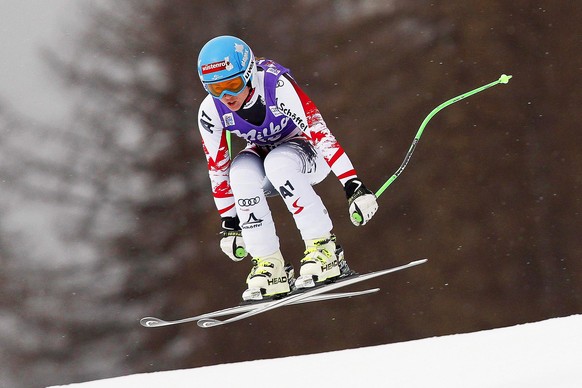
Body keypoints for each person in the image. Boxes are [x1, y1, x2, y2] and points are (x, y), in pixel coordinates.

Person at [196, 35, 378, 301]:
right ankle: (270, 266)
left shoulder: (275, 86)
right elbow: (217, 167)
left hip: (306, 153)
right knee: (240, 172)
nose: (226, 97)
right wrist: (230, 221)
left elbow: (319, 133)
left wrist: (353, 185)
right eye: (215, 89)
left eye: (233, 85)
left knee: (278, 163)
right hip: (264, 154)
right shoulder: (210, 111)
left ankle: (324, 250)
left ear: (248, 74)